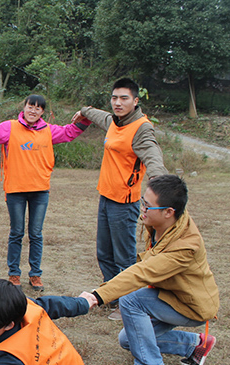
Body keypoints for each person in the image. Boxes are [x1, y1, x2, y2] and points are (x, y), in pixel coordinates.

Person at [0, 95, 90, 292]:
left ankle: (35, 274)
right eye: (30, 106)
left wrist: (87, 117)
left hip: (40, 191)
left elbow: (70, 132)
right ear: (24, 107)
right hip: (16, 191)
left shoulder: (49, 131)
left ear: (43, 112)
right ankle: (14, 273)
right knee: (16, 233)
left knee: (36, 234)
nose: (33, 111)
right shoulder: (10, 127)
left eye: (38, 108)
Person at [84, 175, 219, 365]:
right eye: (143, 202)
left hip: (191, 305)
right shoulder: (165, 222)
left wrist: (97, 296)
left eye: (147, 206)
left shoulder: (186, 246)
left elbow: (142, 272)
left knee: (131, 300)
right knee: (127, 339)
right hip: (171, 294)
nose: (142, 209)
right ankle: (195, 344)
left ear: (168, 212)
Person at [72, 78, 167, 319]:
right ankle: (112, 297)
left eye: (124, 98)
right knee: (104, 253)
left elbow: (152, 154)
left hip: (124, 203)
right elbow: (98, 115)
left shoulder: (142, 128)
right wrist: (83, 111)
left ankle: (128, 304)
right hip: (106, 196)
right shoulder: (115, 121)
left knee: (124, 257)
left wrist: (161, 183)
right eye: (114, 98)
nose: (117, 102)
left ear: (135, 101)